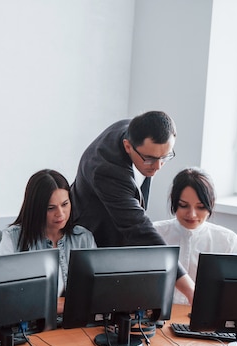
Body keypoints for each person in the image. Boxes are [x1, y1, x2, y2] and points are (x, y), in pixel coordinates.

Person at [71, 110, 195, 303]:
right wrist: (189, 288)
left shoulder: (138, 132)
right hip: (92, 236)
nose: (158, 166)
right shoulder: (106, 169)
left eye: (165, 156)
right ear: (127, 146)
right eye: (150, 159)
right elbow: (139, 229)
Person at [0, 169, 96, 314]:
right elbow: (5, 294)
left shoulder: (83, 237)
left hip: (73, 321)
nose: (60, 214)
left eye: (65, 204)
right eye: (51, 208)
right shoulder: (13, 238)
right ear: (36, 208)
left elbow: (95, 289)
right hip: (29, 324)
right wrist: (51, 306)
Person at [153, 167, 237, 304]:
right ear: (174, 202)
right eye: (183, 205)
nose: (192, 214)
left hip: (203, 319)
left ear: (210, 203)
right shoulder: (156, 233)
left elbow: (230, 295)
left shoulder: (227, 241)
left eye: (200, 207)